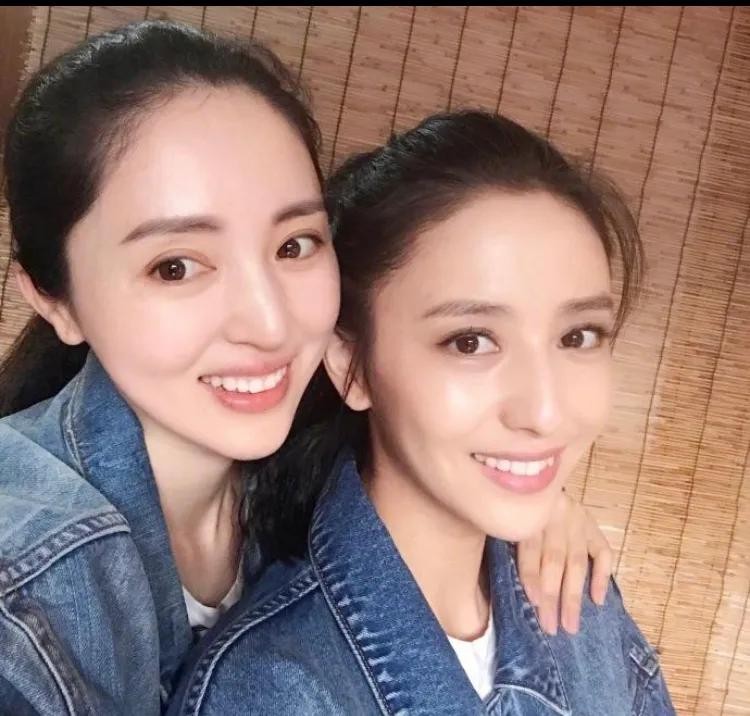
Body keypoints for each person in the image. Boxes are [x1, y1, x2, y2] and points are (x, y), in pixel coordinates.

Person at [0, 20, 613, 713]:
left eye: (293, 246)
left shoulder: (304, 453)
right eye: (176, 267)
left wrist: (533, 498)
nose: (270, 323)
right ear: (53, 300)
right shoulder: (22, 591)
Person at [168, 110, 676, 715]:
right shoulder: (276, 689)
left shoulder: (580, 604)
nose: (544, 412)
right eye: (470, 342)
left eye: (578, 337)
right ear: (351, 366)